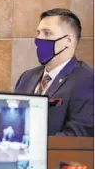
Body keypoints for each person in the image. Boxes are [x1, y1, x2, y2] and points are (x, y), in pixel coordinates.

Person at [15, 8, 93, 137]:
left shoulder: (87, 80)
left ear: (69, 40)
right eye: (38, 33)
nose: (38, 38)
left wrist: (33, 148)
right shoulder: (27, 77)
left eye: (47, 33)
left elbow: (78, 134)